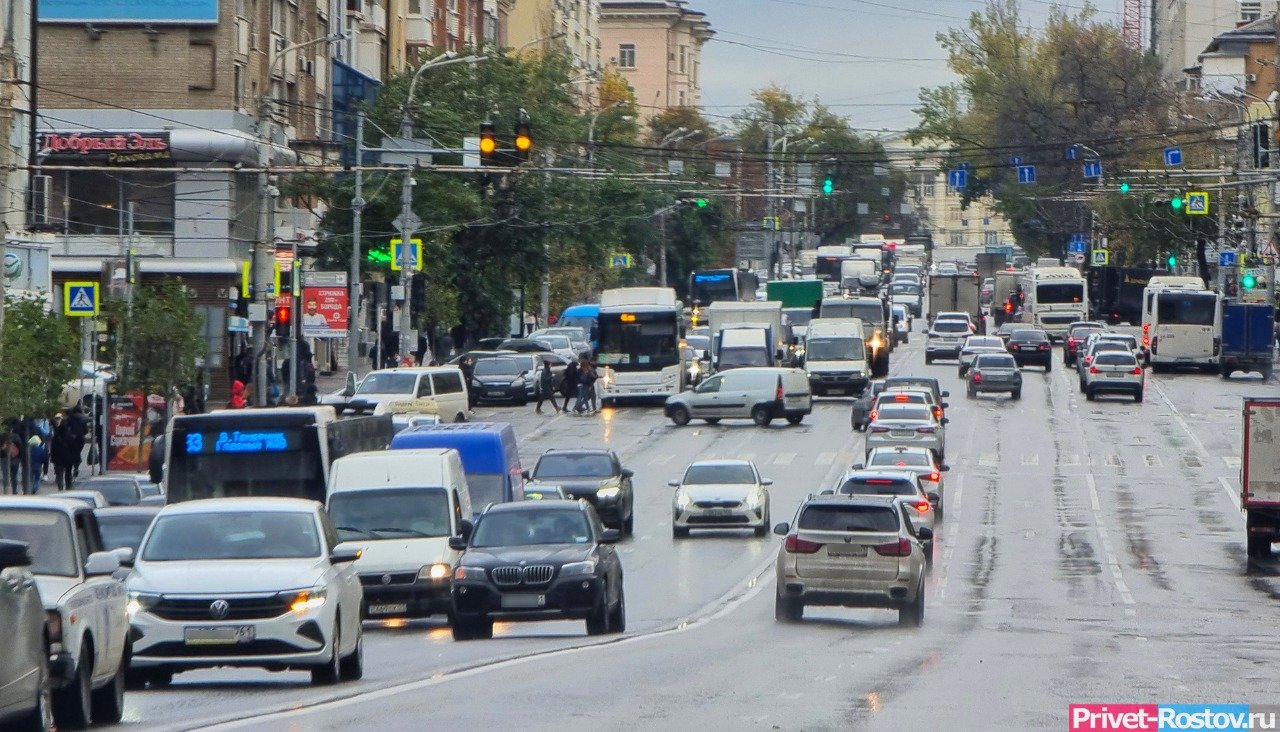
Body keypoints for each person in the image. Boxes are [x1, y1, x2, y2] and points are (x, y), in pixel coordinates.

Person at [50, 413, 80, 491]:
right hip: (68, 459)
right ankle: (68, 487)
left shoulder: (57, 436)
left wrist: (52, 458)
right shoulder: (70, 436)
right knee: (68, 473)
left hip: (58, 459)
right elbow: (75, 449)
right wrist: (76, 459)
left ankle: (60, 489)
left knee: (59, 474)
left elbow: (53, 448)